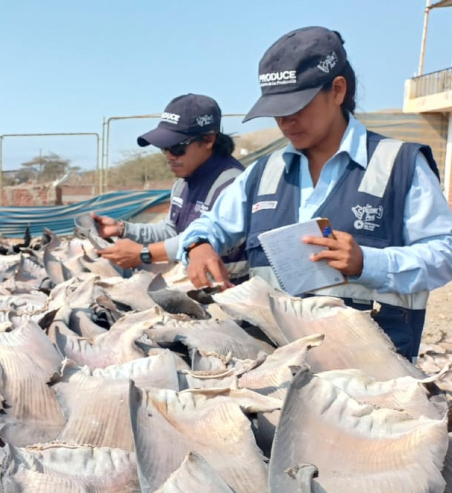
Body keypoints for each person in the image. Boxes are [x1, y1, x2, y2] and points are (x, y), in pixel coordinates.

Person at [177, 26, 452, 361]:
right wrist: (199, 246)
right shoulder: (263, 173)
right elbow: (212, 225)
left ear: (337, 90)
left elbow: (443, 253)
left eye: (298, 107)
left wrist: (369, 262)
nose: (285, 122)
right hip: (278, 367)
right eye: (277, 112)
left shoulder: (401, 165)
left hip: (373, 373)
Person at [91, 94, 248, 278]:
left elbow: (206, 242)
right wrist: (123, 229)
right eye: (164, 148)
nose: (169, 156)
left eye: (177, 148)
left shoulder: (233, 185)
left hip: (230, 289)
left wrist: (143, 253)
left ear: (208, 140)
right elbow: (172, 231)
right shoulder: (183, 182)